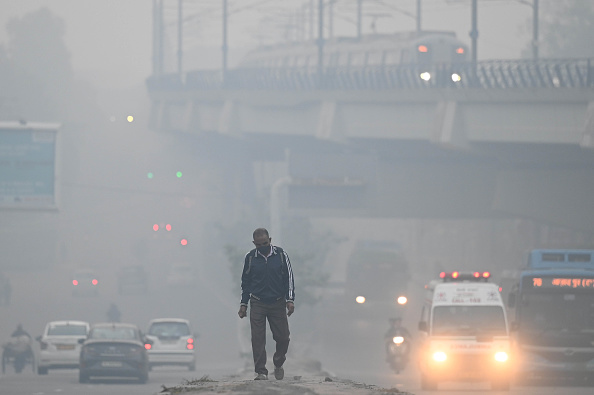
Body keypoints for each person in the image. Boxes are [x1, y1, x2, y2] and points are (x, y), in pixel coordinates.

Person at [238, 228, 295, 381]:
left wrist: (290, 300)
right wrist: (244, 304)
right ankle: (261, 371)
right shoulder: (250, 258)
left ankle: (278, 362)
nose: (263, 247)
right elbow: (246, 283)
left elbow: (289, 278)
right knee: (257, 338)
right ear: (254, 244)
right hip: (257, 302)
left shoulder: (281, 255)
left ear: (270, 240)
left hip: (277, 302)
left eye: (265, 243)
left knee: (283, 337)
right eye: (259, 245)